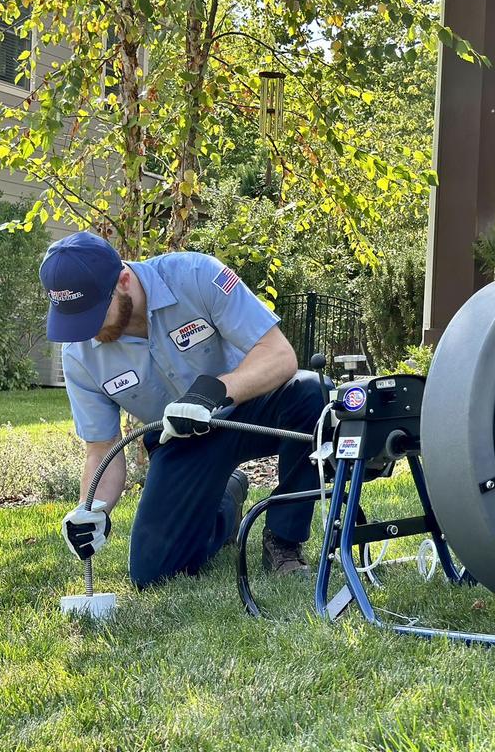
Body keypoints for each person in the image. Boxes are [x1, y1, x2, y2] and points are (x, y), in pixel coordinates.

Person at [40, 231, 324, 587]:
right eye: (74, 320)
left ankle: (283, 539)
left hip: (249, 406)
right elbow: (101, 450)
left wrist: (215, 393)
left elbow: (278, 354)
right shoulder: (79, 356)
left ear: (124, 280)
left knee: (310, 391)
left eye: (94, 314)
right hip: (180, 438)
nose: (88, 332)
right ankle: (226, 503)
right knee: (154, 574)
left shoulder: (196, 275)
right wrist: (90, 510)